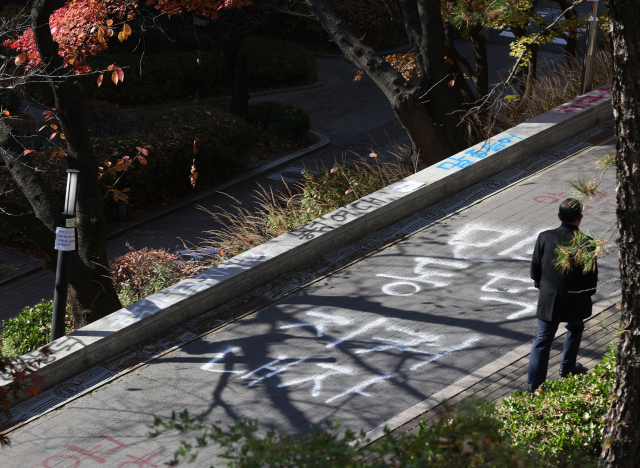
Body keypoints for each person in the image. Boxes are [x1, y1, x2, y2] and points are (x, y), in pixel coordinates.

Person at [527, 198, 598, 394]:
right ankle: (567, 368)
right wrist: (587, 295)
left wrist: (543, 288)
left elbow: (535, 270)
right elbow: (591, 277)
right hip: (575, 299)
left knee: (543, 340)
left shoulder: (544, 237)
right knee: (575, 328)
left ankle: (534, 386)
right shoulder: (587, 243)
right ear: (580, 218)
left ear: (559, 216)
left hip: (549, 300)